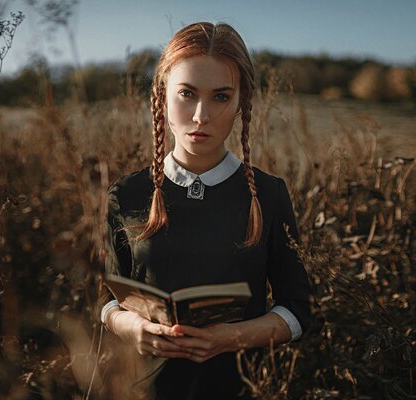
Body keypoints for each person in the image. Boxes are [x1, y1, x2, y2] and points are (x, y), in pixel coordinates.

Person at [100, 21, 314, 400]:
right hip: (144, 390)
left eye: (220, 97)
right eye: (187, 93)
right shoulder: (128, 193)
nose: (201, 116)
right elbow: (111, 301)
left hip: (241, 389)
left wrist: (230, 338)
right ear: (162, 96)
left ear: (240, 103)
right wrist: (131, 327)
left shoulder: (269, 194)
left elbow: (297, 310)